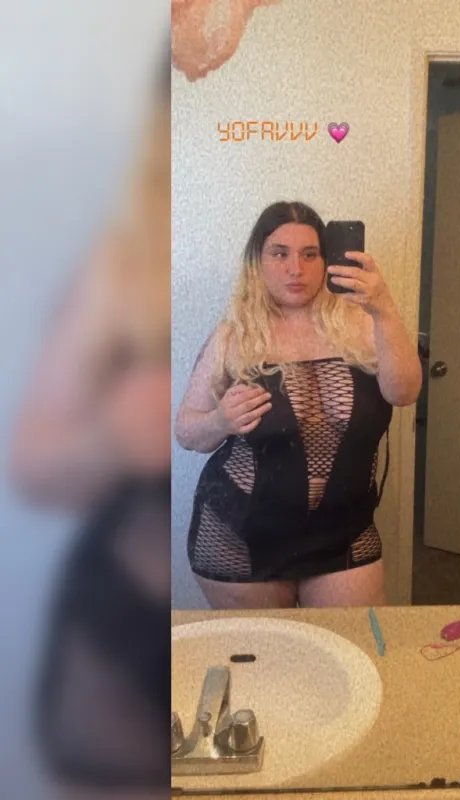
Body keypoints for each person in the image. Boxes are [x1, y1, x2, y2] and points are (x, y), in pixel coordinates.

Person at [9, 65, 171, 798]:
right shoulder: (122, 266)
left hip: (257, 599)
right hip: (122, 625)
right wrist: (110, 440)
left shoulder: (300, 258)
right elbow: (32, 462)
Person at [175, 201, 422, 609]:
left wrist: (384, 309)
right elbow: (186, 430)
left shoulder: (364, 324)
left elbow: (404, 393)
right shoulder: (234, 336)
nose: (296, 268)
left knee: (350, 644)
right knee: (264, 650)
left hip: (345, 534)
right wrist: (220, 420)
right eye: (280, 253)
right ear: (258, 261)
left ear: (327, 260)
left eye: (310, 254)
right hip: (240, 535)